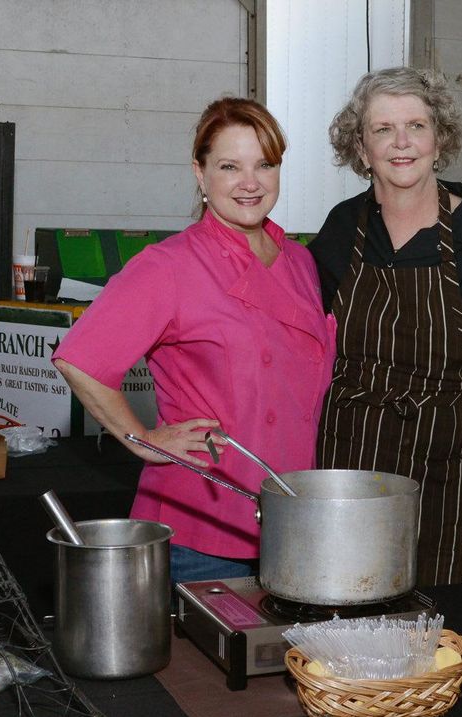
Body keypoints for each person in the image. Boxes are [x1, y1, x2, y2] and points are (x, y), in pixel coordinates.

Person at [53, 97, 336, 584]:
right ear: (200, 175)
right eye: (229, 166)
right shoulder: (169, 266)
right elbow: (80, 359)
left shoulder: (299, 261)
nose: (250, 182)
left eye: (264, 165)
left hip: (294, 520)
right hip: (202, 526)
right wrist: (142, 439)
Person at [309, 67, 462, 586]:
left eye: (416, 126)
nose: (401, 143)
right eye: (382, 129)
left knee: (443, 630)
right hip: (355, 462)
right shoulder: (340, 230)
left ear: (439, 138)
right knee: (347, 613)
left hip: (458, 469)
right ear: (360, 145)